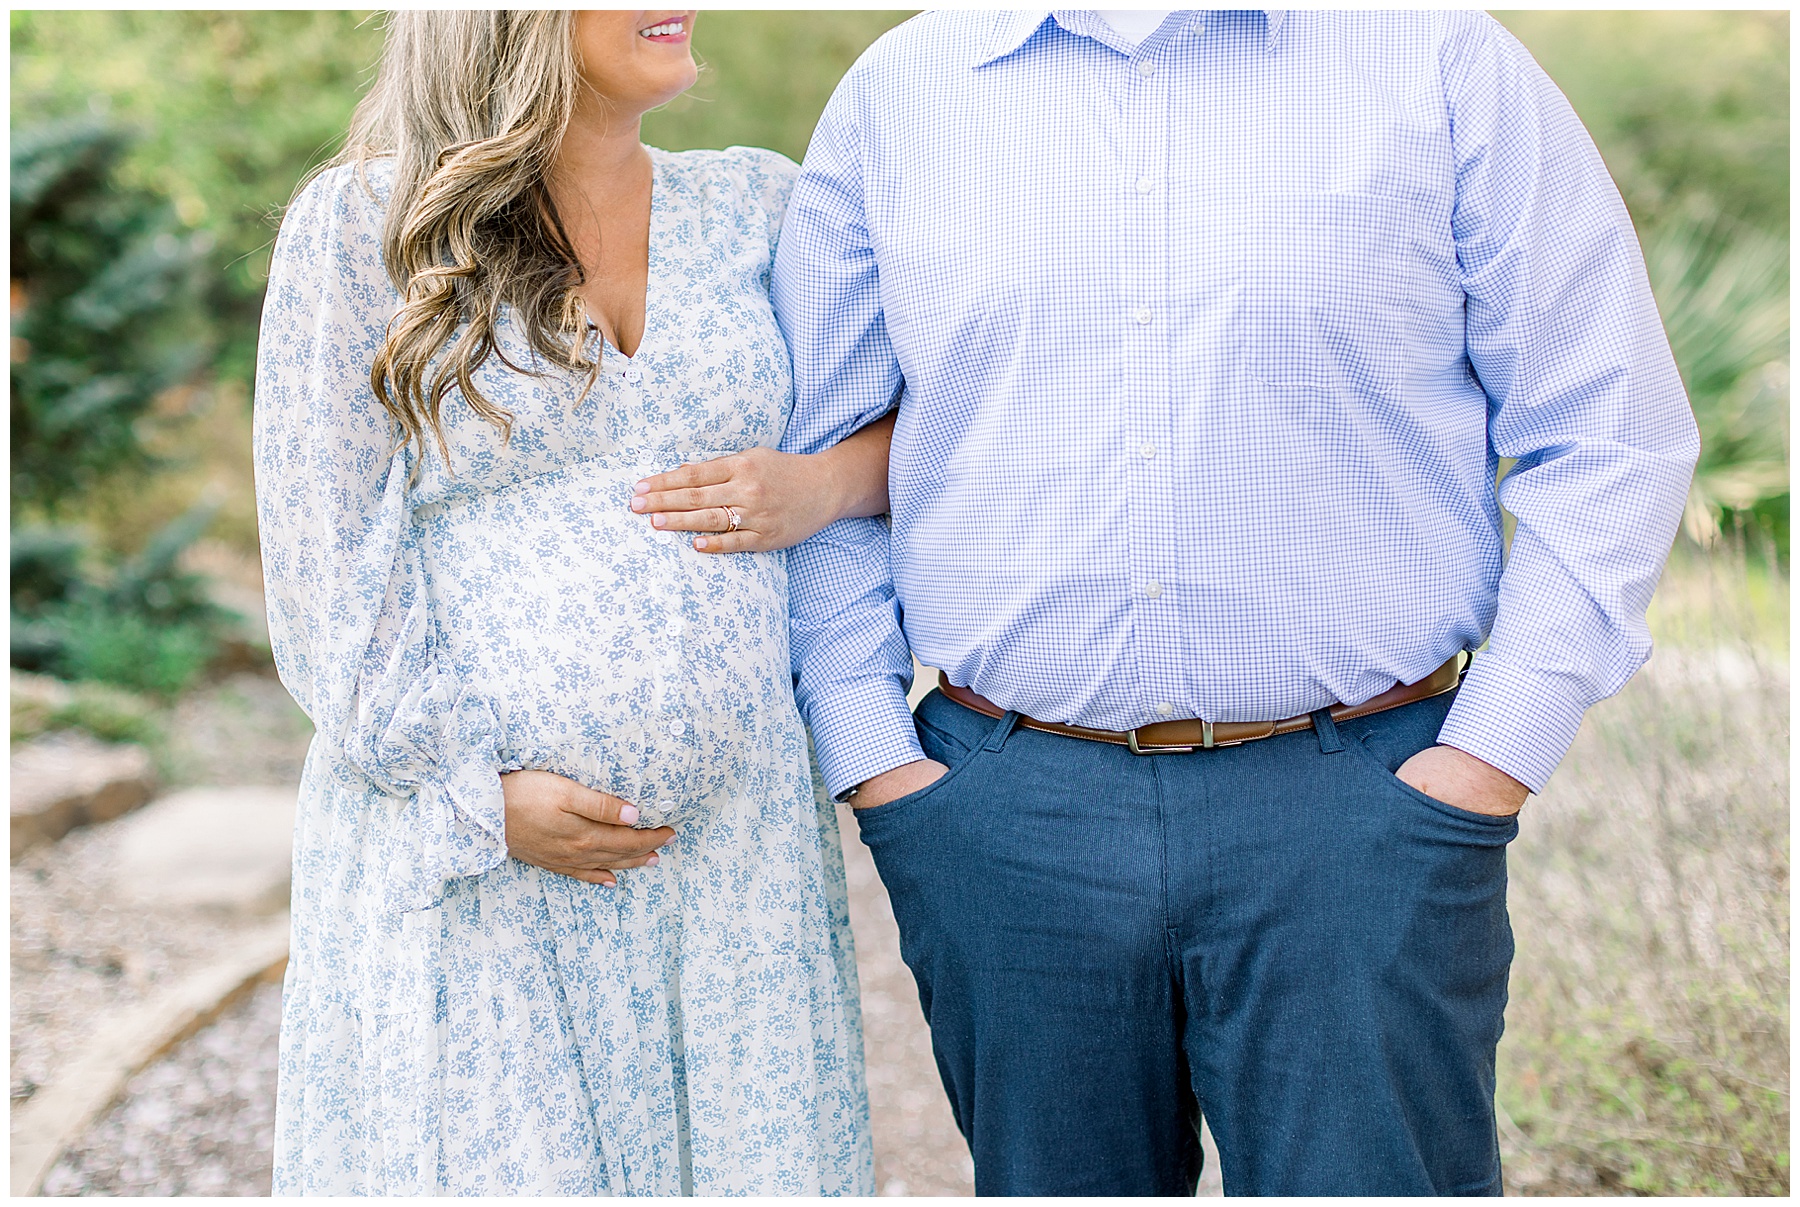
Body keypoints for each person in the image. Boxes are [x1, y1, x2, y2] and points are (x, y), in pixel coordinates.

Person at [769, 8, 1700, 1197]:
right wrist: (878, 763)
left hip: (1363, 809)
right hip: (1003, 819)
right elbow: (824, 447)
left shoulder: (1438, 60)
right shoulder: (899, 92)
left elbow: (1607, 430)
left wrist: (1488, 760)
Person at [253, 10, 884, 1194]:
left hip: (735, 855)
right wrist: (471, 790)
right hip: (476, 853)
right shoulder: (361, 228)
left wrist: (824, 486)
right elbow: (322, 554)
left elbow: (944, 410)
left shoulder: (760, 205)